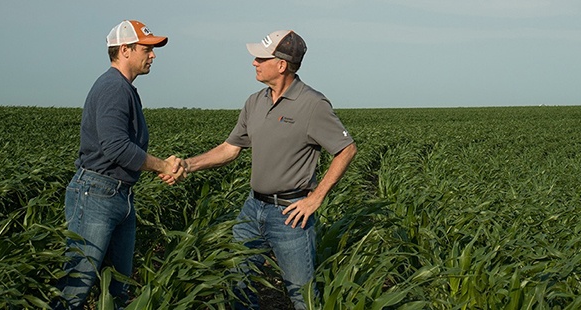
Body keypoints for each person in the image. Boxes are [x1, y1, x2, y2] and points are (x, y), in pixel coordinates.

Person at [165, 30, 357, 309]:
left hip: (291, 215)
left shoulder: (312, 104)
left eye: (261, 57)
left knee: (301, 294)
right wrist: (188, 164)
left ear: (281, 65)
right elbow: (231, 148)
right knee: (237, 283)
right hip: (252, 209)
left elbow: (346, 149)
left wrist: (315, 198)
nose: (254, 62)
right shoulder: (255, 102)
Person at [53, 20, 185, 310]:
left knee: (116, 290)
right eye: (147, 49)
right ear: (124, 50)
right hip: (97, 194)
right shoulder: (114, 87)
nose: (153, 55)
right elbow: (115, 147)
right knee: (75, 288)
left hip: (118, 195)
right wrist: (163, 166)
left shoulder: (124, 88)